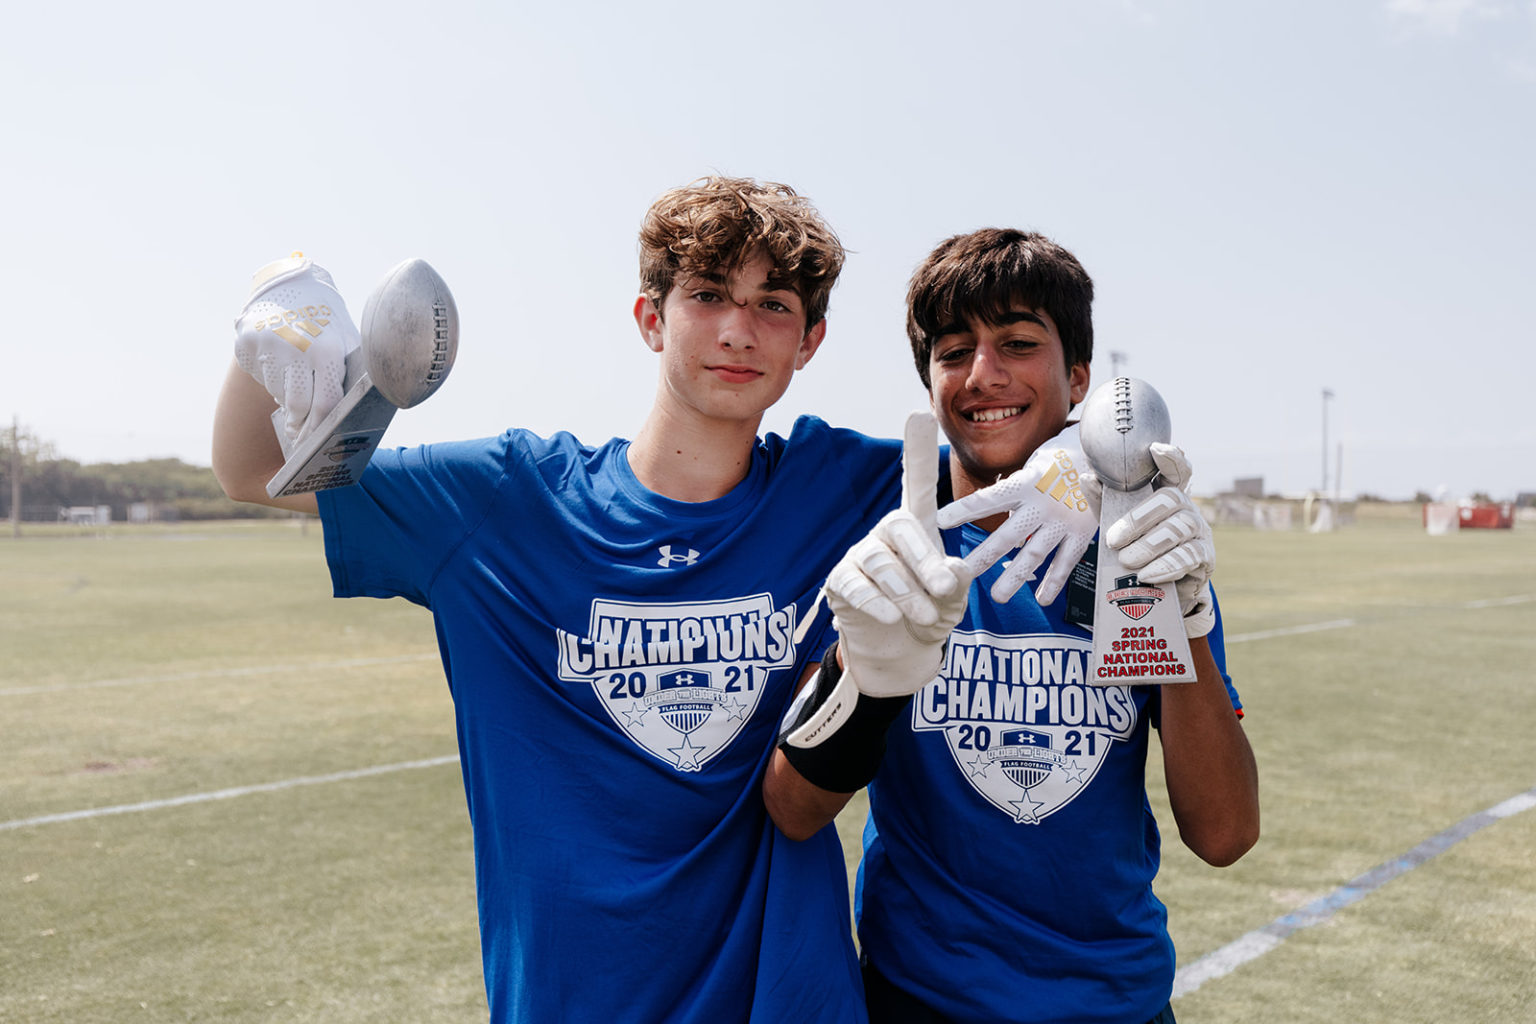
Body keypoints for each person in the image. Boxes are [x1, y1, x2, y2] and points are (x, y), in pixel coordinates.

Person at [211, 176, 933, 1023]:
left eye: (773, 304)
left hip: (786, 1002)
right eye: (707, 295)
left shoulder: (839, 486)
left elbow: (1016, 458)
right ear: (650, 318)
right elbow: (251, 470)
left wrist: (1115, 466)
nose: (739, 329)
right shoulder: (504, 500)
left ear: (809, 342)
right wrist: (272, 328)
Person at [764, 228, 1261, 1024]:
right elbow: (792, 811)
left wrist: (1185, 615)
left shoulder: (1133, 550)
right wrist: (862, 673)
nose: (982, 375)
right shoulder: (888, 530)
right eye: (953, 350)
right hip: (919, 997)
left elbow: (1226, 832)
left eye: (1018, 343)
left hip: (1114, 1002)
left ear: (1079, 379)